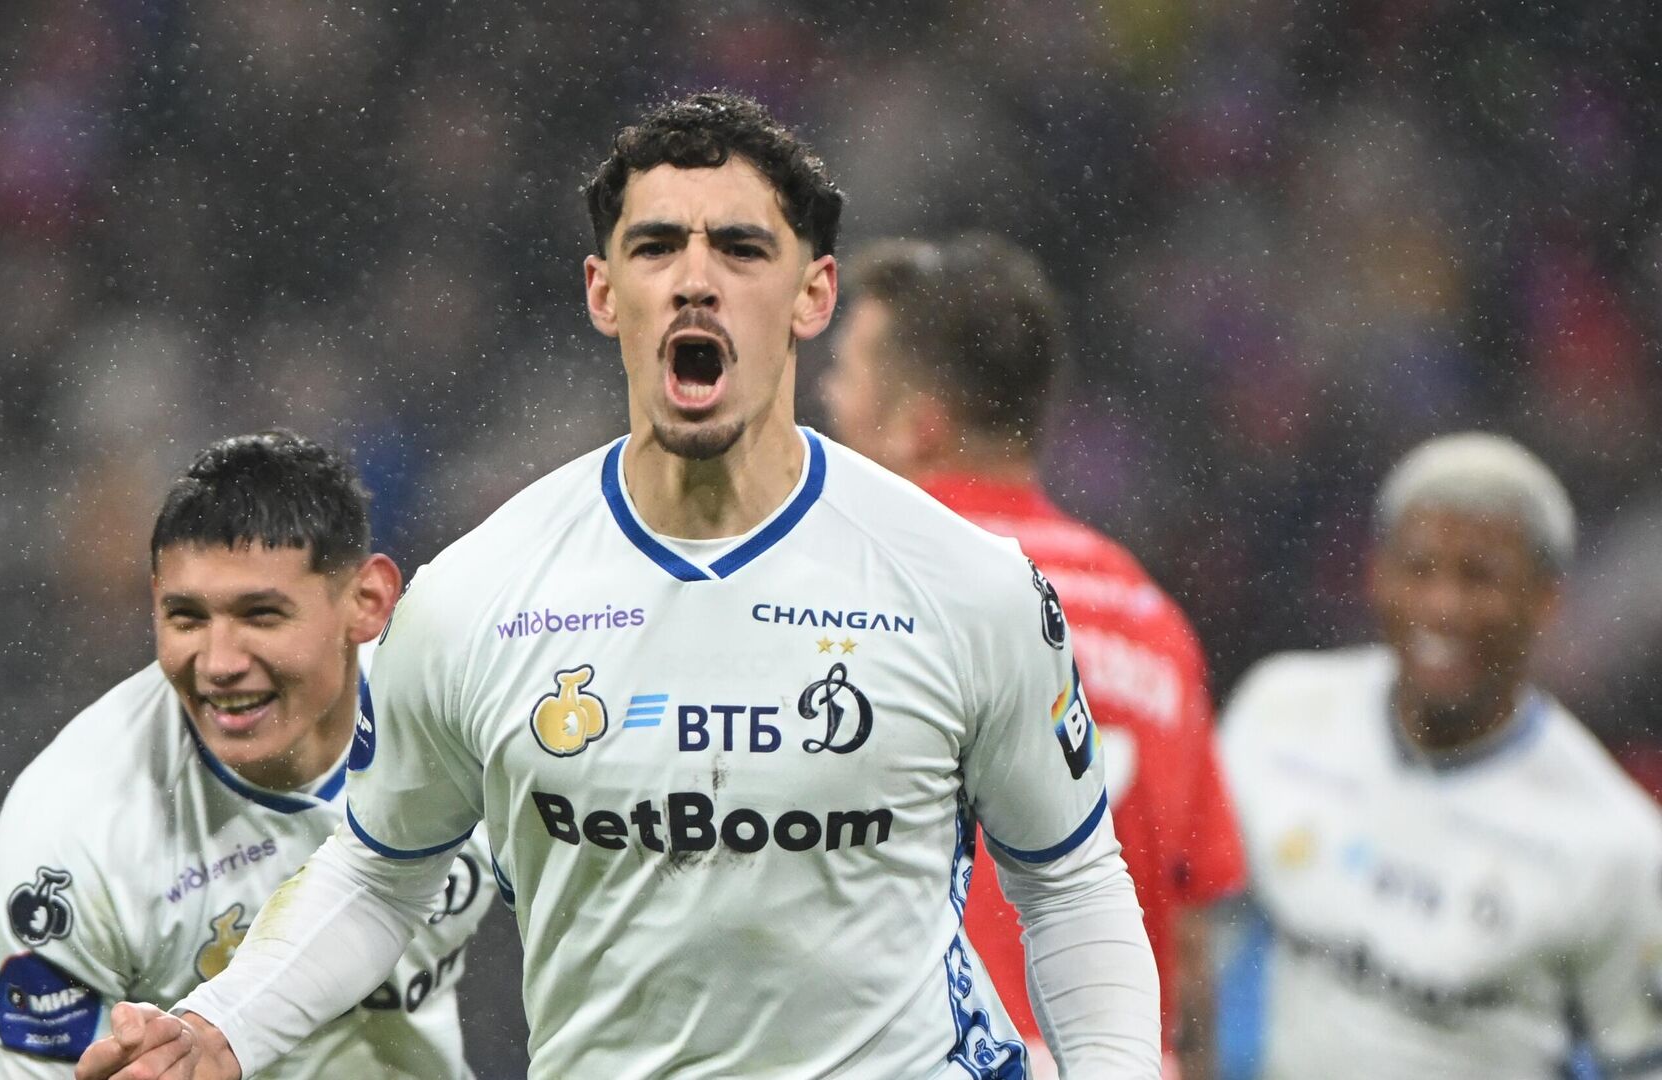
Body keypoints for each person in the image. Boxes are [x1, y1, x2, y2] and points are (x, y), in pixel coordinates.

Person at [77, 91, 1160, 1080]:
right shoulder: (476, 598)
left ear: (812, 294)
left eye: (742, 248)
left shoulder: (967, 586)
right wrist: (219, 1027)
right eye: (656, 247)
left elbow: (1069, 882)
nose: (696, 278)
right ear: (605, 292)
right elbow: (379, 873)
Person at [821, 232, 1246, 1079]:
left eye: (848, 375)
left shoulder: (844, 595)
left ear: (919, 425)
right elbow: (1192, 949)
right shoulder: (1151, 623)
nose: (827, 399)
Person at [0, 430, 494, 1078]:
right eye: (186, 617)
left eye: (261, 615)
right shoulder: (69, 840)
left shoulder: (454, 725)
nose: (218, 663)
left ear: (367, 602)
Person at [1216, 433, 1662, 1078]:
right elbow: (1193, 938)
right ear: (1376, 574)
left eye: (1479, 577)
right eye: (1419, 568)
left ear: (1546, 599)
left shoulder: (1616, 845)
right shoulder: (1279, 714)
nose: (1443, 606)